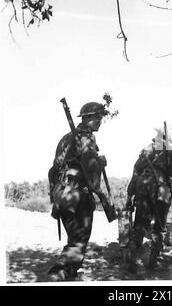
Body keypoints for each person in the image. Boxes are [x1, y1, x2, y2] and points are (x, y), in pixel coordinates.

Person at [47, 101, 110, 281]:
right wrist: (101, 162)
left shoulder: (66, 138)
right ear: (88, 118)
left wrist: (56, 196)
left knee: (73, 240)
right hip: (77, 194)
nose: (100, 121)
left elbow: (53, 171)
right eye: (98, 117)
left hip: (63, 194)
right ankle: (57, 275)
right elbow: (91, 172)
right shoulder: (85, 137)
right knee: (78, 243)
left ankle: (69, 275)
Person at [124, 127, 172, 272]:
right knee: (159, 225)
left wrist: (130, 192)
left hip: (142, 185)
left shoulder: (146, 150)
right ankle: (153, 261)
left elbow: (136, 170)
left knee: (140, 223)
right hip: (161, 189)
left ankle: (131, 256)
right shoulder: (171, 151)